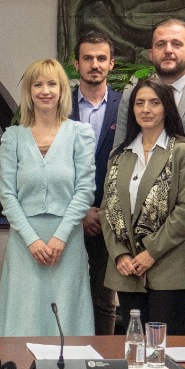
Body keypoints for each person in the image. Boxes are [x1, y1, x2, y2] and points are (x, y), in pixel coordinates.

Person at [112, 19, 185, 334]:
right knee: (147, 327)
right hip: (142, 233)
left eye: (176, 44)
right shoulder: (133, 94)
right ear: (151, 53)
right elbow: (119, 159)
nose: (168, 50)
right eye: (160, 44)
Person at [0, 58, 96, 337]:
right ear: (29, 91)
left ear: (62, 90)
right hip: (25, 243)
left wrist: (60, 237)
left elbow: (85, 191)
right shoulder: (12, 137)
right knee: (23, 316)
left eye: (52, 84)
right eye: (38, 84)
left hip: (67, 242)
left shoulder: (80, 134)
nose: (45, 91)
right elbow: (7, 195)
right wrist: (32, 240)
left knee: (66, 315)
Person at [100, 77, 185, 332]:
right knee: (135, 346)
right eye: (139, 103)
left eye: (154, 103)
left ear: (167, 107)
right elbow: (107, 211)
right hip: (127, 270)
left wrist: (151, 252)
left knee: (163, 348)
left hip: (169, 267)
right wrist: (119, 254)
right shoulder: (119, 155)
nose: (146, 109)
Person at [71, 29, 122, 334]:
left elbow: (131, 164)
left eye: (101, 58)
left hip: (109, 218)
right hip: (67, 217)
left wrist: (103, 211)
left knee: (104, 299)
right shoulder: (59, 105)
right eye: (88, 58)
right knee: (66, 295)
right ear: (76, 64)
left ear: (111, 64)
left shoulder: (126, 106)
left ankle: (102, 356)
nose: (95, 64)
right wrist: (80, 211)